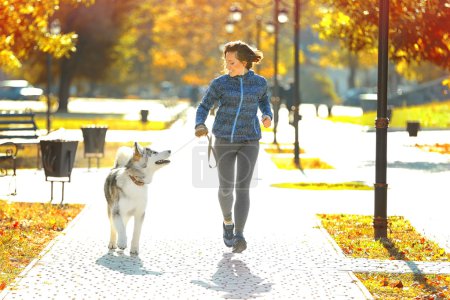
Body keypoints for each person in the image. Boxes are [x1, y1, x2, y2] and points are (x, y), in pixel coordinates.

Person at [194, 41, 273, 253]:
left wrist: (267, 115)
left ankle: (239, 235)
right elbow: (203, 106)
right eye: (227, 62)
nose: (228, 66)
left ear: (244, 62)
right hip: (224, 140)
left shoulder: (260, 83)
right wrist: (200, 124)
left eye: (232, 62)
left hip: (250, 140)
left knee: (243, 188)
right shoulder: (220, 84)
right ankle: (227, 222)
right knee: (226, 188)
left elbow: (265, 102)